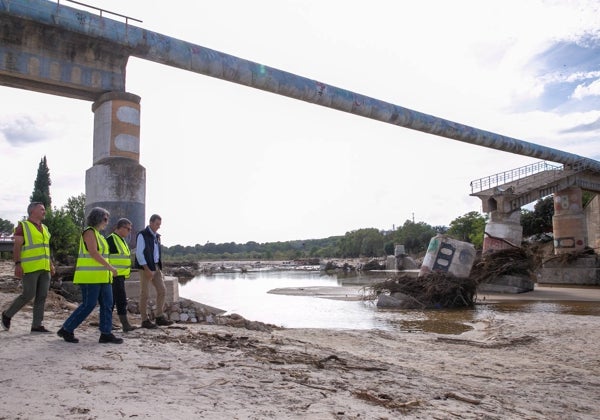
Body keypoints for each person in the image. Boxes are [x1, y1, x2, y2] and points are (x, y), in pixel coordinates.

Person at [57, 207, 123, 344]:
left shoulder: (100, 235)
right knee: (89, 304)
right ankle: (66, 329)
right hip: (90, 277)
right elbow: (94, 253)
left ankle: (106, 333)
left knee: (107, 304)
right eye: (105, 219)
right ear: (97, 218)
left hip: (103, 277)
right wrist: (110, 267)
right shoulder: (89, 232)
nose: (107, 221)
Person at [1, 202, 55, 333]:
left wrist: (51, 264)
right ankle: (7, 315)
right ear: (32, 211)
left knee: (42, 296)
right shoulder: (23, 226)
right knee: (28, 294)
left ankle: (37, 325)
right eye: (41, 209)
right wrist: (17, 264)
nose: (44, 211)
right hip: (30, 268)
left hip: (44, 267)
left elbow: (46, 248)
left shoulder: (45, 228)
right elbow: (17, 247)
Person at [135, 214, 173, 328]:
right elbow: (139, 254)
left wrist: (158, 268)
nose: (158, 227)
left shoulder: (157, 236)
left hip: (156, 267)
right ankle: (144, 320)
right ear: (151, 222)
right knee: (145, 294)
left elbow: (155, 253)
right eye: (157, 224)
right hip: (145, 267)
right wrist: (146, 269)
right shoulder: (142, 235)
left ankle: (159, 317)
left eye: (159, 225)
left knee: (162, 290)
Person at [106, 218, 136, 332]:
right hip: (113, 276)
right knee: (119, 300)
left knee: (114, 300)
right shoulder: (111, 240)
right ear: (121, 227)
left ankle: (108, 323)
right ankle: (125, 324)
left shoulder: (122, 240)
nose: (129, 231)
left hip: (120, 276)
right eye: (128, 229)